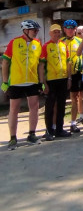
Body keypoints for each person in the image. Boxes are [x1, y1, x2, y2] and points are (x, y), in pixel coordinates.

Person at [2, 19, 42, 150]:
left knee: (34, 107)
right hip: (16, 82)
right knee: (14, 109)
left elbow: (40, 65)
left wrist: (41, 82)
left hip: (32, 81)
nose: (36, 33)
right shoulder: (14, 42)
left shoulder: (37, 43)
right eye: (34, 30)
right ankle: (13, 138)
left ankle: (32, 134)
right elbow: (5, 63)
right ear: (26, 30)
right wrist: (4, 82)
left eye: (37, 31)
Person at [39, 24, 72, 140]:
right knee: (50, 106)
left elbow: (68, 63)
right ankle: (49, 130)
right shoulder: (45, 46)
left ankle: (59, 129)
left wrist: (69, 78)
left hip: (63, 79)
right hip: (51, 81)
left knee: (62, 105)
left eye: (58, 32)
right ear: (50, 33)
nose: (57, 34)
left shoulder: (64, 45)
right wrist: (43, 83)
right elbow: (41, 66)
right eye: (54, 32)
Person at [62, 19, 82, 133]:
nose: (70, 30)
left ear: (75, 30)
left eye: (72, 28)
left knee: (75, 97)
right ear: (64, 29)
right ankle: (57, 124)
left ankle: (73, 123)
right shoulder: (60, 41)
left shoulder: (80, 41)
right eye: (67, 28)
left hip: (76, 73)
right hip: (62, 74)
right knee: (60, 100)